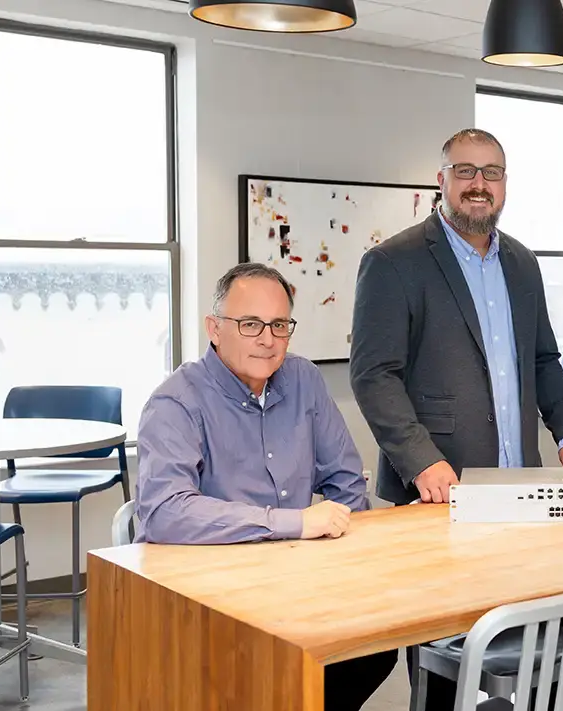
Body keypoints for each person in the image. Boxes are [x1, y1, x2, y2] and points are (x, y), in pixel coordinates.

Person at [349, 128, 563, 711]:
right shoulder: (393, 262)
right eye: (465, 172)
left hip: (522, 492)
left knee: (535, 651)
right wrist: (421, 460)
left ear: (505, 184)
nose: (478, 185)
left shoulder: (522, 262)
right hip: (441, 494)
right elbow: (373, 374)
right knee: (444, 668)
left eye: (491, 173)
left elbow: (543, 361)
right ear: (442, 181)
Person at [134, 262, 397, 711]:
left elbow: (347, 483)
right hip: (205, 595)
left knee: (375, 649)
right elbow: (164, 511)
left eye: (279, 325)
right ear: (214, 329)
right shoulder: (176, 401)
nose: (267, 339)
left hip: (294, 584)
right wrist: (291, 524)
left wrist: (344, 569)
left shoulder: (303, 380)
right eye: (250, 324)